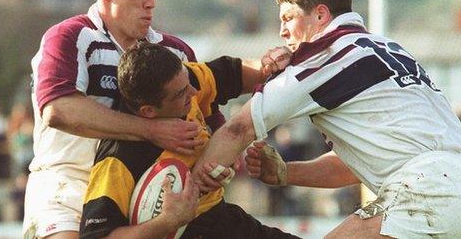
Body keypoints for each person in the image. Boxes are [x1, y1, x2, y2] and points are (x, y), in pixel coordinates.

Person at [192, 0, 461, 238]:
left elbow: (239, 129)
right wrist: (286, 172)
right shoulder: (390, 47)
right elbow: (354, 166)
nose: (282, 30)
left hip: (431, 189)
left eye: (288, 18)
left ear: (321, 15)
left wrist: (191, 189)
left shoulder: (323, 56)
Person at [24, 0, 205, 238]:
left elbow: (207, 122)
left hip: (141, 194)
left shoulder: (175, 52)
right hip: (66, 189)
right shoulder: (70, 37)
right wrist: (150, 130)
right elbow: (59, 111)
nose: (151, 2)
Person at [80, 44, 298, 239]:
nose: (194, 92)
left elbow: (242, 73)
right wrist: (168, 221)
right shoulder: (117, 161)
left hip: (221, 219)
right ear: (149, 111)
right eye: (182, 94)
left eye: (188, 81)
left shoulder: (182, 80)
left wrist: (273, 63)